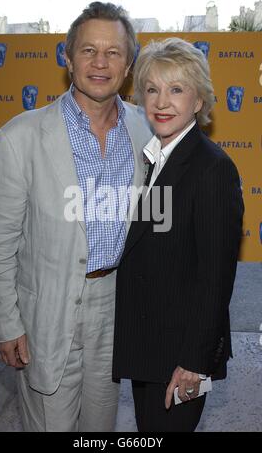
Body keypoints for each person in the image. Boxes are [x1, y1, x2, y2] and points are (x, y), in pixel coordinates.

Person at [0, 1, 152, 432]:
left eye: (113, 52)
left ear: (128, 65)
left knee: (101, 426)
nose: (100, 62)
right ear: (67, 57)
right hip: (47, 312)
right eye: (88, 50)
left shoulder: (146, 129)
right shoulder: (20, 137)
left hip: (117, 308)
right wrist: (5, 324)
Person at [112, 37, 244, 432]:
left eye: (176, 89)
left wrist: (194, 364)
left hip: (180, 358)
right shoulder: (157, 159)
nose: (161, 101)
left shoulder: (212, 169)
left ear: (199, 101)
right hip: (150, 347)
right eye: (152, 89)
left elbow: (215, 281)